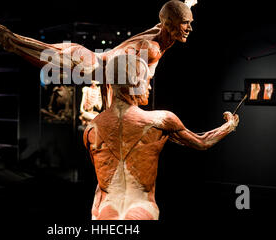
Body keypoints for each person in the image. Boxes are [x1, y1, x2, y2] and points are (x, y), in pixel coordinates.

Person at [0, 0, 198, 107]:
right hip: (80, 63)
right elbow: (115, 73)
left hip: (92, 65)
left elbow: (160, 27)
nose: (189, 28)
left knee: (11, 40)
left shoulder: (161, 38)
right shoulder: (147, 50)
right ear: (170, 24)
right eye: (185, 23)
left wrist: (188, 6)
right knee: (9, 39)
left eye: (189, 23)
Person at [83, 55, 239, 220]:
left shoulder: (92, 128)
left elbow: (102, 184)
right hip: (142, 211)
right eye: (147, 81)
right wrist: (229, 126)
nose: (149, 87)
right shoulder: (160, 120)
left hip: (105, 213)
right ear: (134, 82)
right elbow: (203, 142)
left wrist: (95, 213)